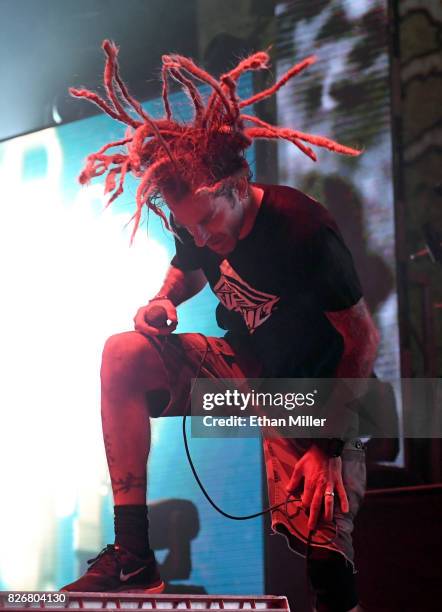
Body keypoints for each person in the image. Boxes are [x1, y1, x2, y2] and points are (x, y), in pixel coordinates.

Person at [62, 41, 380, 611]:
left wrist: (328, 446)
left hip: (317, 397)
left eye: (210, 222)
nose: (204, 238)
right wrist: (162, 300)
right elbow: (187, 266)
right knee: (123, 354)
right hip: (248, 377)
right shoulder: (198, 219)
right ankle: (133, 555)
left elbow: (362, 341)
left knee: (327, 554)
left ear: (239, 183)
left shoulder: (304, 232)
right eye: (193, 229)